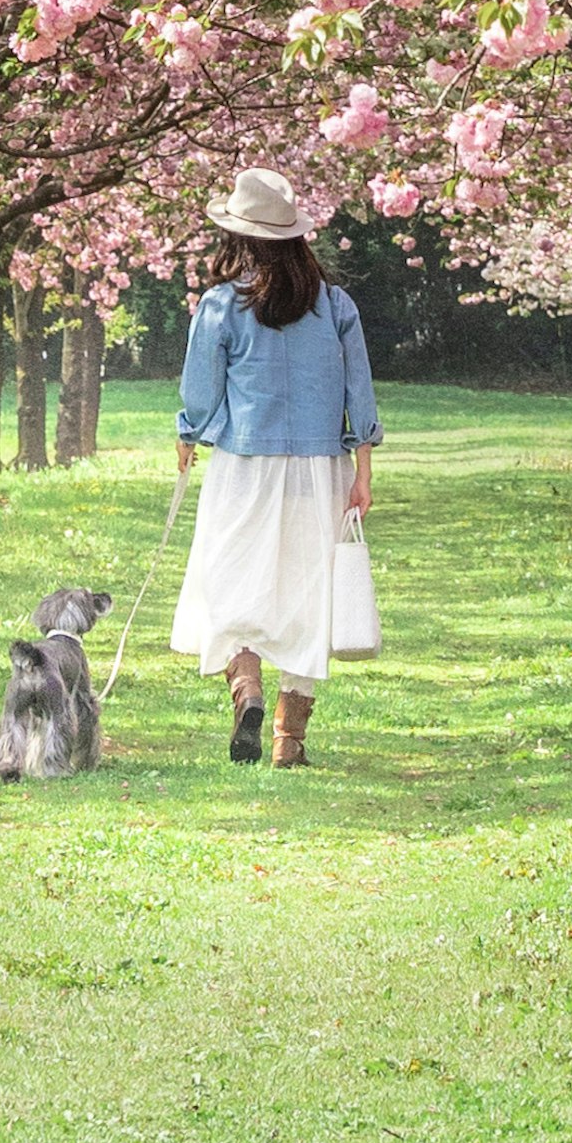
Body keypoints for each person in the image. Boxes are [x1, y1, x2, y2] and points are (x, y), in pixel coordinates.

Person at [168, 164, 380, 768]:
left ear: (240, 238)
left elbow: (202, 393)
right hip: (320, 467)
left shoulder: (221, 306)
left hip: (244, 463)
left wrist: (189, 434)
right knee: (308, 592)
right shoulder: (336, 306)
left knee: (229, 577)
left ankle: (248, 688)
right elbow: (358, 393)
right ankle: (290, 739)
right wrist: (362, 470)